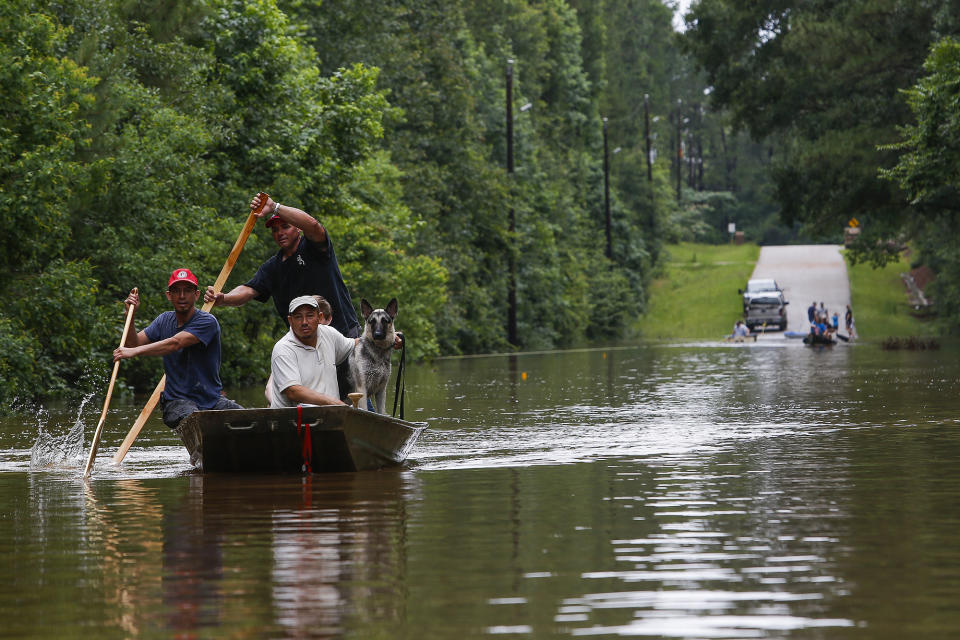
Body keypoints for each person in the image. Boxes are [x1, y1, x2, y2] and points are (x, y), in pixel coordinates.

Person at [204, 193, 361, 338]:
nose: (279, 233)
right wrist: (223, 298)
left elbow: (313, 225)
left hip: (342, 333)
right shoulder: (273, 267)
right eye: (275, 230)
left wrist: (274, 207)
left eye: (285, 227)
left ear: (297, 227)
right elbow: (248, 290)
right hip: (306, 343)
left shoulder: (314, 248)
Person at [114, 268, 242, 427]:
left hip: (211, 400)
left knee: (249, 419)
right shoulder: (163, 320)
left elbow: (176, 343)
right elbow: (133, 343)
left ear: (196, 295)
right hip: (177, 402)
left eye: (188, 291)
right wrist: (130, 316)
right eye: (177, 291)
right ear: (169, 295)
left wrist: (134, 352)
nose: (182, 296)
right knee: (196, 420)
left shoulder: (208, 322)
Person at [269, 296, 358, 408]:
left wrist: (380, 336)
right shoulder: (283, 349)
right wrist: (335, 403)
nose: (304, 322)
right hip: (292, 422)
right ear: (290, 321)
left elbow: (355, 344)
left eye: (310, 316)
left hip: (330, 417)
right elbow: (293, 391)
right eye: (298, 317)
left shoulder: (329, 334)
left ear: (320, 317)